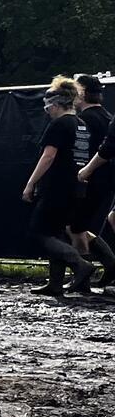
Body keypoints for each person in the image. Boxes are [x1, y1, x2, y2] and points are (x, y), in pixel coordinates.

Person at [21, 76, 96, 296]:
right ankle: (55, 283)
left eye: (48, 107)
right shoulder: (81, 124)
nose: (47, 111)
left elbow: (48, 156)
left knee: (39, 232)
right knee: (56, 233)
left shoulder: (60, 123)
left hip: (57, 186)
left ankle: (80, 264)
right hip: (77, 186)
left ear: (55, 104)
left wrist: (30, 183)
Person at [70, 74, 115, 285]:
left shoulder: (85, 120)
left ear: (82, 93)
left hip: (90, 181)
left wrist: (83, 172)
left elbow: (93, 151)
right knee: (85, 226)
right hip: (106, 181)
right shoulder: (106, 116)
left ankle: (82, 273)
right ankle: (108, 263)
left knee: (75, 226)